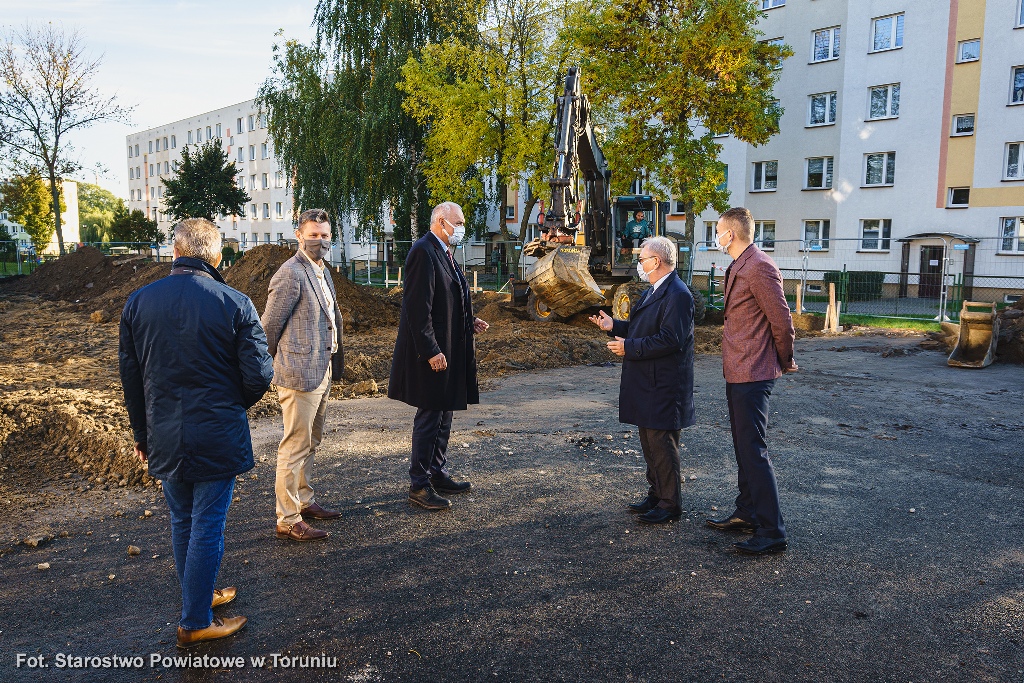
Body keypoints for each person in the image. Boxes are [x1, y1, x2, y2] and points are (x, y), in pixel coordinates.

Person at [119, 218, 274, 648]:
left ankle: (199, 594)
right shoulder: (235, 302)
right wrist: (229, 405)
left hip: (165, 431)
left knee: (183, 518)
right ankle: (195, 619)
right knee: (207, 522)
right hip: (216, 430)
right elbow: (260, 374)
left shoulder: (138, 302)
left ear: (175, 251)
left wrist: (141, 433)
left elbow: (131, 379)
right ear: (217, 256)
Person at [705, 207, 797, 555]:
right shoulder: (740, 264)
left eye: (719, 230)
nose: (717, 235)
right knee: (743, 447)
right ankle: (747, 511)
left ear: (732, 233)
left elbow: (782, 319)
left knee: (754, 451)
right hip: (738, 369)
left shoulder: (759, 266)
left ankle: (772, 530)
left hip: (755, 371)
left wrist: (784, 359)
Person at [388, 201, 489, 511]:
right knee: (430, 416)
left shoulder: (444, 252)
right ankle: (418, 485)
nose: (461, 229)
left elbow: (449, 296)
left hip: (450, 347)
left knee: (444, 414)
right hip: (432, 353)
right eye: (458, 222)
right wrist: (431, 350)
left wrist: (469, 320)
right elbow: (418, 309)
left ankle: (437, 472)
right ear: (441, 222)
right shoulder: (423, 251)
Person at [590, 236, 695, 524]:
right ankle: (657, 493)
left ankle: (670, 503)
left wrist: (629, 347)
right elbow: (643, 327)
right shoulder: (654, 290)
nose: (639, 264)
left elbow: (670, 339)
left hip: (664, 383)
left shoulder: (678, 294)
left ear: (657, 261)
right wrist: (615, 327)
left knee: (662, 444)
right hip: (649, 381)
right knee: (650, 443)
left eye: (642, 259)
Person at [262, 208, 346, 542]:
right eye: (313, 235)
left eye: (325, 235)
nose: (320, 241)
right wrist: (265, 367)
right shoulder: (290, 273)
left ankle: (304, 501)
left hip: (320, 369)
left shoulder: (322, 270)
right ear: (299, 235)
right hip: (297, 374)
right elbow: (269, 327)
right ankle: (287, 518)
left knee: (311, 441)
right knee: (295, 445)